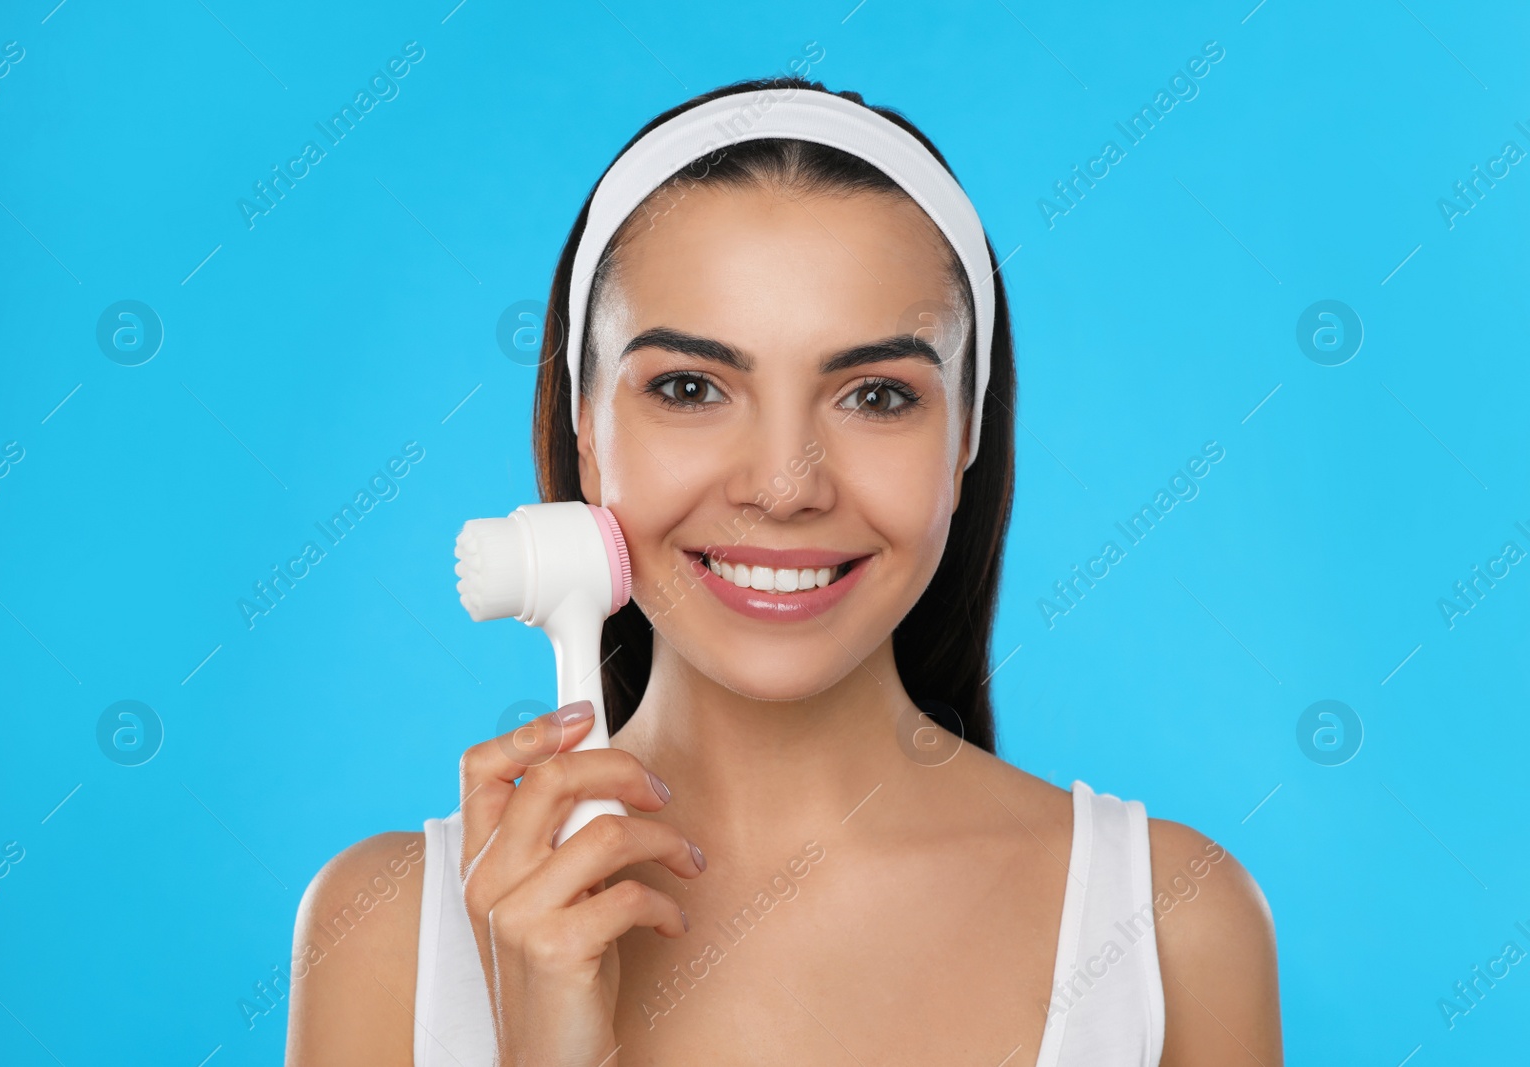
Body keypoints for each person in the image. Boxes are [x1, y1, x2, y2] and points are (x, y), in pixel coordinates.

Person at [284, 77, 1283, 1066]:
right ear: (584, 427)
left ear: (965, 431)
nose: (782, 484)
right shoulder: (384, 935)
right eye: (689, 386)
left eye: (876, 396)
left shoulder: (1169, 922)